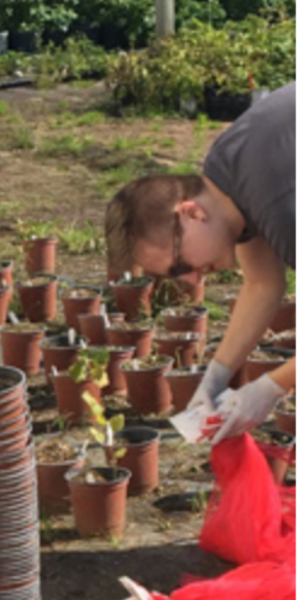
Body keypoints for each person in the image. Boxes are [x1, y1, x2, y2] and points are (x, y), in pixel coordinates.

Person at [105, 82, 296, 441]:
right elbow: (262, 283)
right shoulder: (226, 175)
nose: (192, 281)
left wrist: (271, 387)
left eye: (179, 266)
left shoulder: (281, 209)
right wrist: (216, 377)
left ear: (191, 213)